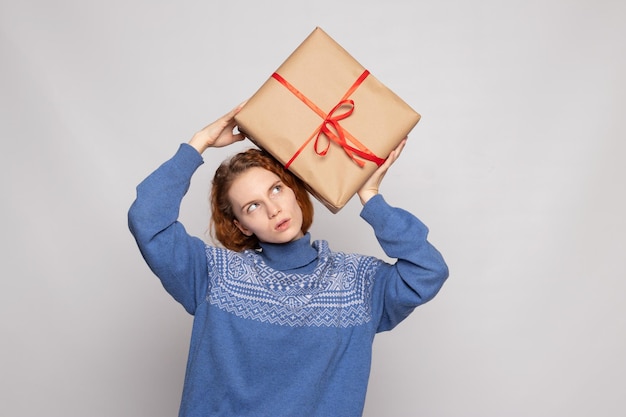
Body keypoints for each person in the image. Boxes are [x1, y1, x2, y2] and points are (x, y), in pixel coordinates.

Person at [128, 104, 449, 417]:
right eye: (252, 206)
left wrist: (371, 198)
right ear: (241, 225)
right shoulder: (213, 275)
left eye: (276, 189)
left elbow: (427, 270)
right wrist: (198, 144)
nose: (273, 209)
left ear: (294, 190)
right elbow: (147, 219)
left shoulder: (358, 282)